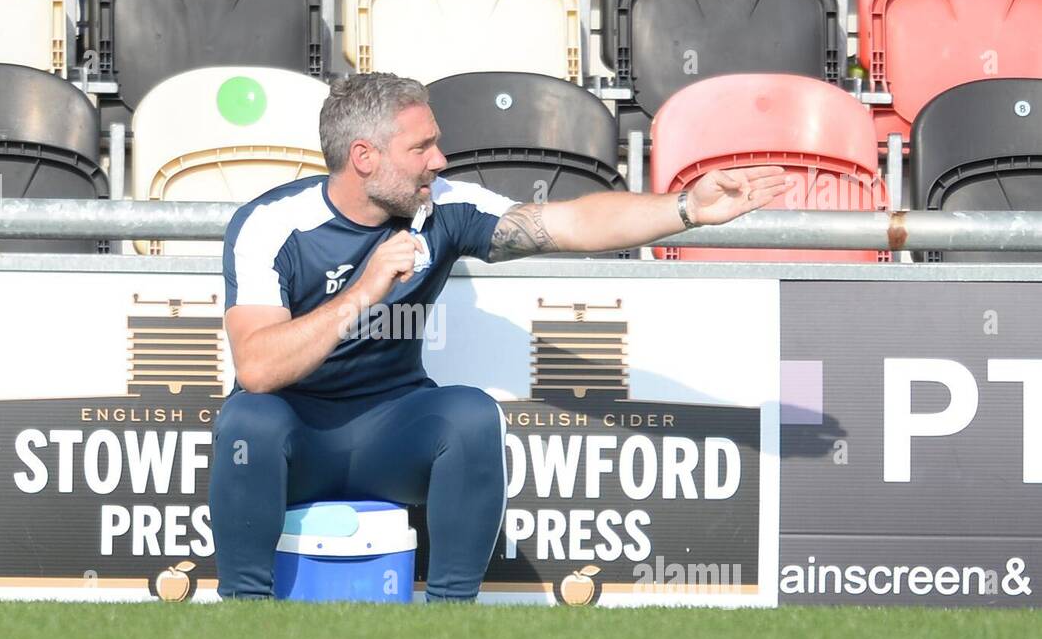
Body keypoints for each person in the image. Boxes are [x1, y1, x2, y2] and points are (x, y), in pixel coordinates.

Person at [210, 72, 787, 601]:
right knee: (247, 421)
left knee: (469, 415)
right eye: (420, 148)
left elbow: (571, 224)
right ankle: (247, 615)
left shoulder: (445, 209)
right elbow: (257, 368)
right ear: (363, 157)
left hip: (391, 437)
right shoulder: (270, 224)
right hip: (297, 443)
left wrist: (686, 207)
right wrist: (363, 291)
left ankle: (452, 623)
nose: (438, 160)